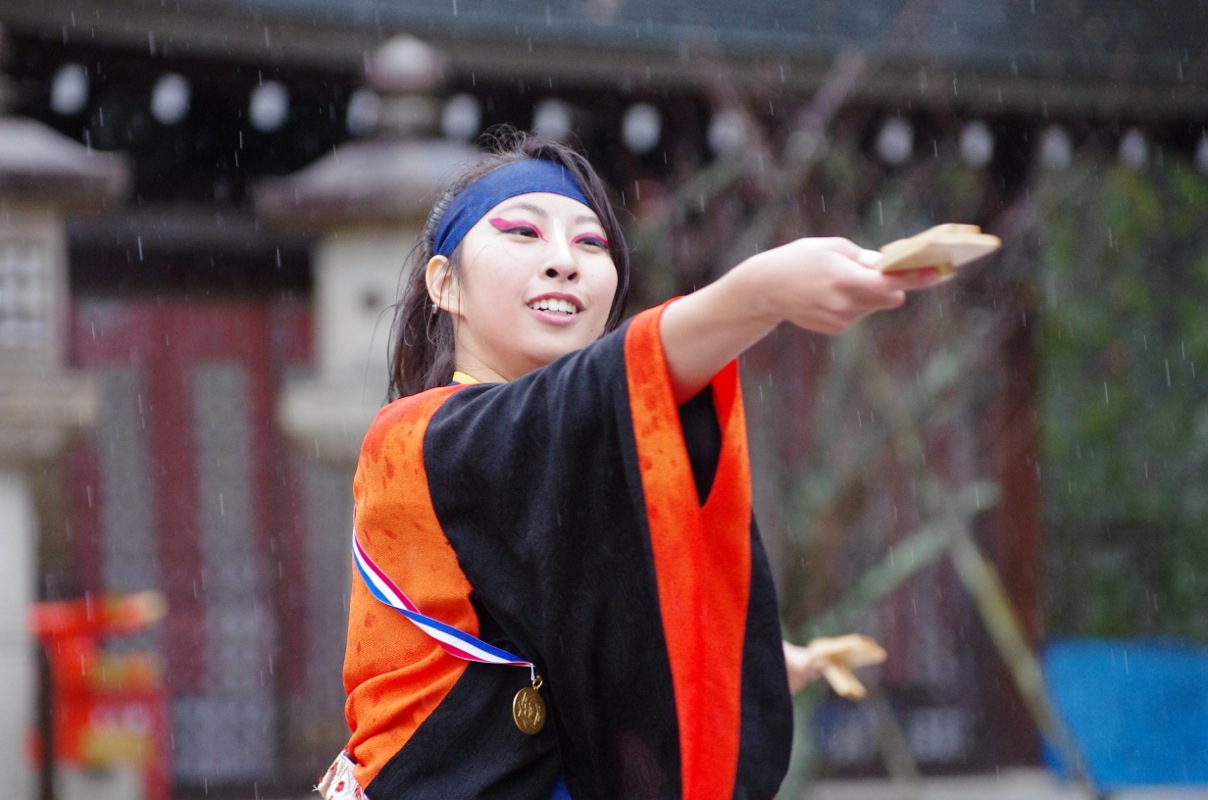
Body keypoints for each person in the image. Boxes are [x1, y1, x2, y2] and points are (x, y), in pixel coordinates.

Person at [318, 130, 940, 800]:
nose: (565, 262)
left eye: (591, 244)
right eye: (523, 233)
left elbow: (619, 629)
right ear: (446, 284)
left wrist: (743, 663)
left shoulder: (570, 456)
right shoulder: (413, 437)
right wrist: (761, 293)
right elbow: (577, 403)